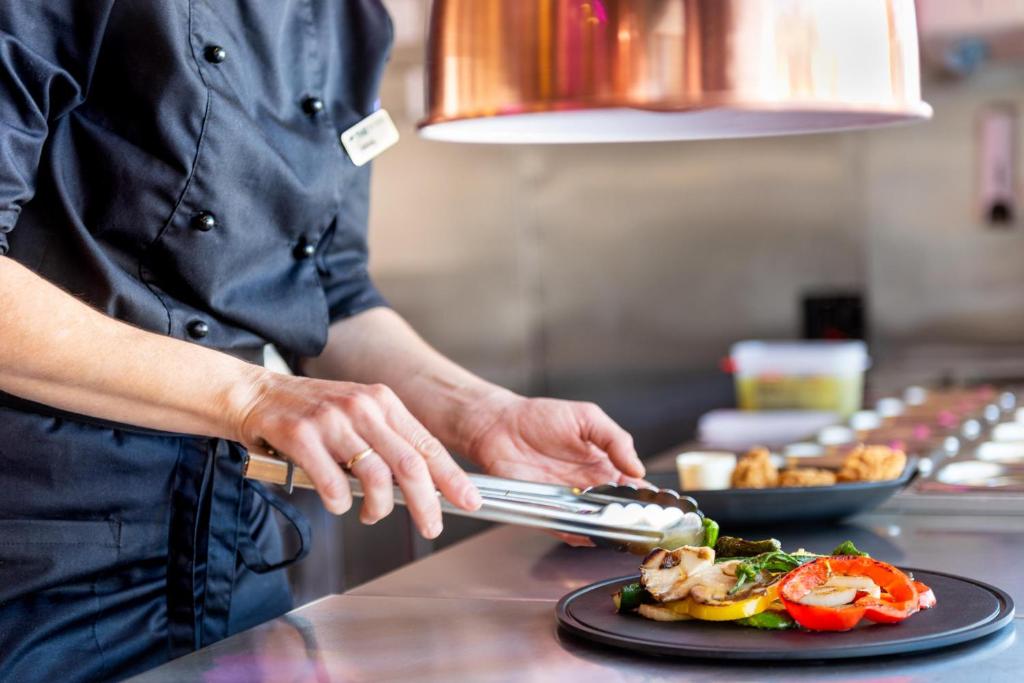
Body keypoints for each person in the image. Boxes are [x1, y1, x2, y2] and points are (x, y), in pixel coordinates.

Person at [0, 2, 644, 680]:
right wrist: (253, 394)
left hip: (233, 549)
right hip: (44, 569)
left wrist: (479, 411)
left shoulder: (350, 21)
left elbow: (327, 293)